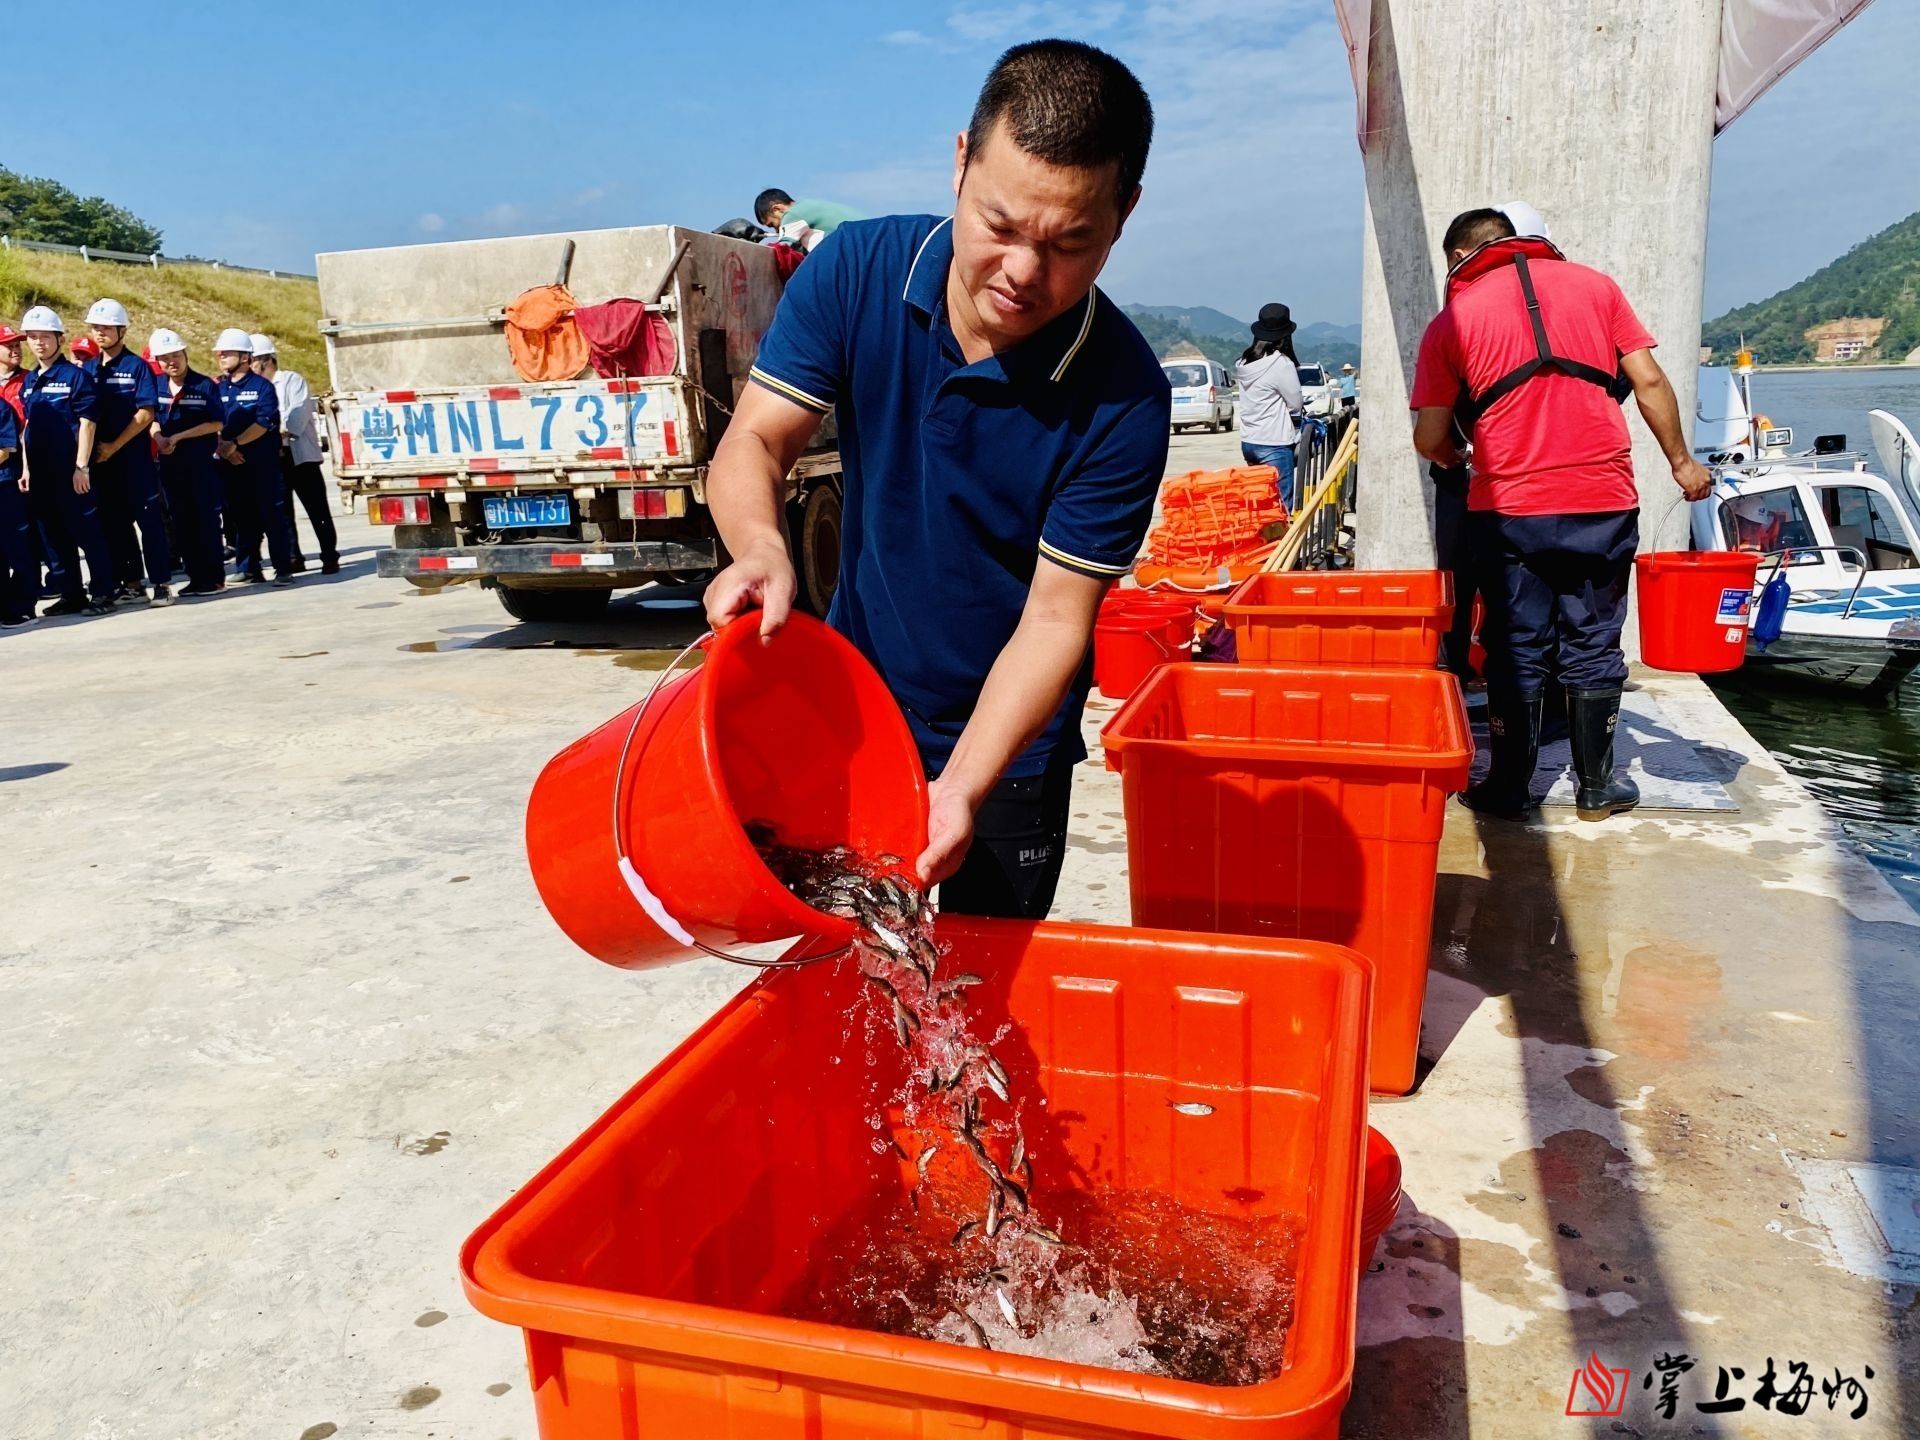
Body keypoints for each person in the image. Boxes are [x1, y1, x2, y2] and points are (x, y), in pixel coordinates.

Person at [709, 39, 1169, 919]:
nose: (1024, 274)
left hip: (1007, 752)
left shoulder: (1126, 398)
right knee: (849, 981)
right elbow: (756, 441)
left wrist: (960, 784)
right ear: (961, 162)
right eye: (1000, 226)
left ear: (1124, 215)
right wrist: (763, 546)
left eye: (1070, 242)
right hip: (856, 715)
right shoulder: (856, 274)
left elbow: (1054, 618)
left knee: (974, 1005)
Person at [1411, 208, 1711, 822]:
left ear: (1461, 257)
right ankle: (1597, 789)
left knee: (1514, 643)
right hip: (1601, 499)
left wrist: (1460, 455)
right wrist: (1682, 462)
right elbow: (1649, 381)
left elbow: (1430, 435)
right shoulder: (1596, 287)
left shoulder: (1454, 319)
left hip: (1509, 507)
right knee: (1594, 636)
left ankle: (1508, 788)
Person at [19, 306, 116, 616]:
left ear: (59, 338)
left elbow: (88, 423)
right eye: (32, 338)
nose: (38, 343)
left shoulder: (76, 377)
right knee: (55, 540)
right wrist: (25, 468)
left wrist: (82, 466)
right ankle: (71, 593)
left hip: (71, 473)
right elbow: (27, 428)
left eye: (44, 337)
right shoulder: (30, 380)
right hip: (41, 475)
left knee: (87, 533)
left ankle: (103, 592)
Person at [83, 298, 173, 606]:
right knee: (115, 524)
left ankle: (161, 582)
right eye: (96, 327)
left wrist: (113, 446)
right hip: (102, 463)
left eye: (106, 327)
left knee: (149, 522)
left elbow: (146, 414)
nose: (100, 333)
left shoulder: (138, 367)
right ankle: (132, 583)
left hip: (133, 460)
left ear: (122, 330)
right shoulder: (89, 368)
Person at [212, 328, 295, 586]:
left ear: (245, 357)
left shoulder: (263, 388)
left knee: (272, 516)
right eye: (220, 353)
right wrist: (223, 448)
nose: (222, 357)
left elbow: (262, 424)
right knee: (242, 517)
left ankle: (283, 568)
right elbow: (212, 422)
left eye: (227, 353)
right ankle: (249, 567)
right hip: (231, 465)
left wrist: (234, 445)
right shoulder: (217, 388)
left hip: (262, 465)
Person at [148, 329, 228, 598]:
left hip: (199, 464)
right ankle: (195, 577)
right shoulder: (156, 386)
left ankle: (214, 578)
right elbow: (151, 417)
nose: (171, 362)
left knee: (205, 520)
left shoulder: (204, 385)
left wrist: (180, 436)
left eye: (175, 356)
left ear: (185, 355)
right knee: (181, 522)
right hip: (170, 466)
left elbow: (217, 422)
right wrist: (158, 436)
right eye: (164, 358)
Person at [251, 335, 339, 574]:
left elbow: (295, 419)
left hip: (300, 456)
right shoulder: (255, 388)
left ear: (266, 360)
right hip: (274, 456)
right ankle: (293, 557)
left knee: (317, 508)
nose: (249, 365)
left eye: (252, 360)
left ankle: (329, 555)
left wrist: (271, 431)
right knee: (283, 511)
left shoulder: (291, 381)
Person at [1234, 304, 1304, 509]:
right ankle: (1283, 542)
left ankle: (1262, 542)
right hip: (1274, 442)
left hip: (1249, 441)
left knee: (1260, 505)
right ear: (1284, 336)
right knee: (1281, 505)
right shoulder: (1280, 364)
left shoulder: (1244, 362)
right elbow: (1295, 403)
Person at [0, 327, 31, 627]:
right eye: (7, 345)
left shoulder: (27, 382)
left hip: (12, 479)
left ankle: (21, 606)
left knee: (18, 546)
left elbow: (7, 445)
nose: (16, 350)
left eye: (17, 345)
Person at [752, 188, 863, 251]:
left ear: (777, 209)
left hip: (854, 245)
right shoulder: (807, 206)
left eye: (773, 225)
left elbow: (783, 248)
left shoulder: (793, 215)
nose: (776, 231)